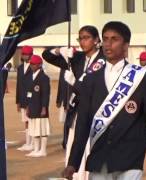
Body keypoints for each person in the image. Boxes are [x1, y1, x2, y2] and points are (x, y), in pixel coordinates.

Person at [62, 21, 146, 180]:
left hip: (130, 159)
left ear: (126, 45)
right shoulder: (90, 79)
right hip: (99, 160)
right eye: (105, 39)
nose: (108, 44)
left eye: (114, 39)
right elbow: (83, 123)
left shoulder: (141, 76)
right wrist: (73, 163)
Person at [42, 25, 105, 180]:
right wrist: (59, 50)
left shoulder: (103, 60)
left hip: (94, 110)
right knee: (73, 143)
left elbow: (94, 89)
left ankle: (88, 175)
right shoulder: (77, 58)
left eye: (86, 37)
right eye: (80, 38)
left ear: (96, 40)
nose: (83, 41)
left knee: (89, 146)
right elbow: (46, 55)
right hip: (76, 109)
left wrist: (75, 82)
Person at [24, 55, 51, 157]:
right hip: (32, 106)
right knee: (34, 128)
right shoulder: (31, 76)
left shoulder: (44, 78)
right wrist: (27, 106)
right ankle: (36, 149)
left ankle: (43, 150)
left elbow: (46, 94)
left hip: (40, 108)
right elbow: (29, 93)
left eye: (33, 64)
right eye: (31, 64)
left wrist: (44, 107)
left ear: (39, 65)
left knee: (42, 129)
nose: (31, 66)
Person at [16, 45, 34, 152]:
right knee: (26, 121)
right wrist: (18, 101)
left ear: (31, 54)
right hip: (22, 99)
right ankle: (27, 142)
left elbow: (34, 85)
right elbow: (19, 85)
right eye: (23, 53)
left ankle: (31, 143)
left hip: (31, 99)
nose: (24, 55)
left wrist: (30, 101)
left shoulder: (34, 67)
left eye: (26, 54)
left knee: (31, 121)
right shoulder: (20, 68)